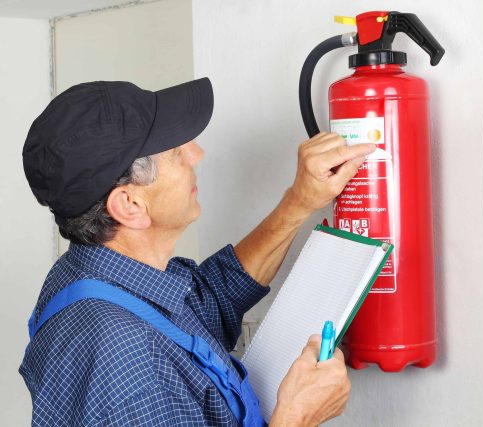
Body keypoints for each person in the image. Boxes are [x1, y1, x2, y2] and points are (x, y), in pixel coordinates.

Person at [20, 77, 375, 426]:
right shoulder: (129, 367)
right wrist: (296, 417)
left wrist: (299, 202)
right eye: (176, 153)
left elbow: (208, 304)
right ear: (130, 205)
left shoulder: (93, 275)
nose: (197, 154)